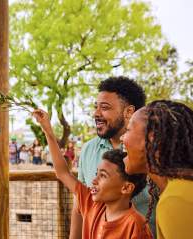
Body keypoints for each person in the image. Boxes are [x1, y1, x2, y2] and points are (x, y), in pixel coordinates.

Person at [33, 109, 152, 238]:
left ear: (126, 187)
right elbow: (62, 173)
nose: (94, 180)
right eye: (97, 174)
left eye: (103, 176)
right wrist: (48, 130)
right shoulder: (92, 203)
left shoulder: (136, 227)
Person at [74, 76, 156, 238]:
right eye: (95, 107)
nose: (96, 114)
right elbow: (80, 203)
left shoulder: (152, 150)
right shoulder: (88, 150)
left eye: (104, 107)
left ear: (129, 112)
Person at [121, 100, 193, 239]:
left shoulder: (175, 201)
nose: (122, 138)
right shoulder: (179, 190)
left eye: (128, 130)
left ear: (152, 138)